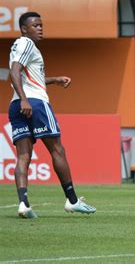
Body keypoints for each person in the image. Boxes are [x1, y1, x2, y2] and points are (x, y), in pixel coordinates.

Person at [9, 12, 96, 219]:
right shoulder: (27, 44)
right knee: (57, 150)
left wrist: (54, 79)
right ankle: (72, 201)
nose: (40, 28)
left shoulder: (18, 46)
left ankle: (23, 204)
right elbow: (13, 73)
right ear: (24, 28)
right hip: (35, 103)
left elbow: (27, 77)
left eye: (41, 25)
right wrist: (25, 99)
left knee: (23, 155)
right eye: (35, 25)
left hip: (16, 104)